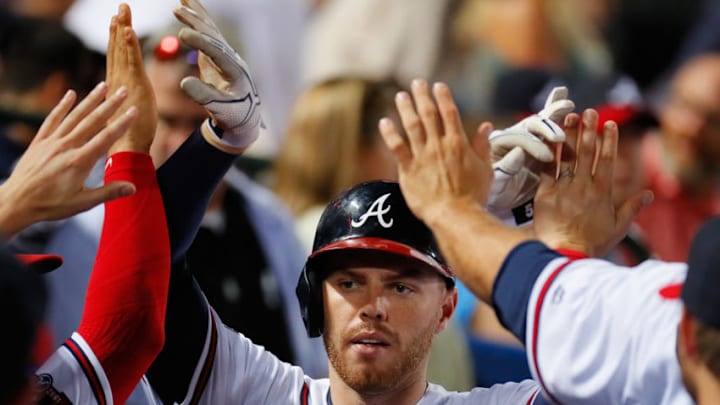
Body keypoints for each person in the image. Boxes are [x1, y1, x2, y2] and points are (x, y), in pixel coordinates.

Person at [144, 1, 548, 403]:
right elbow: (152, 252)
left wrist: (502, 232)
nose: (373, 307)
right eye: (349, 283)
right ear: (314, 301)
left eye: (401, 286)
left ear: (446, 308)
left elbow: (598, 378)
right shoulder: (266, 393)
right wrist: (217, 142)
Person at [378, 78, 713, 403]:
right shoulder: (635, 246)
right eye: (597, 137)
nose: (621, 155)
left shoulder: (636, 251)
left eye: (631, 138)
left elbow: (561, 334)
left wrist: (456, 206)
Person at [142, 21, 326, 377]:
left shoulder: (269, 218)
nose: (183, 142)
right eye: (167, 119)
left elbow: (312, 355)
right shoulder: (100, 217)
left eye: (201, 124)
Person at [634, 53, 720, 262]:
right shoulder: (621, 176)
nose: (693, 128)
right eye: (687, 107)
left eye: (713, 120)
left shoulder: (714, 218)